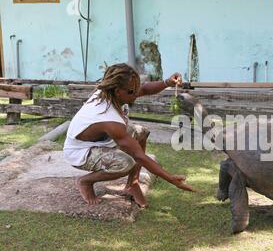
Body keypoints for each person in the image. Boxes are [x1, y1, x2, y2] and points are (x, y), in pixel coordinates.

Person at [64, 63, 194, 208]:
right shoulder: (109, 119)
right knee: (125, 163)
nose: (136, 93)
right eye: (132, 91)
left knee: (141, 133)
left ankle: (133, 184)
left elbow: (144, 89)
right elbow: (139, 156)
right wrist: (171, 179)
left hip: (101, 142)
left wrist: (167, 82)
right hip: (80, 152)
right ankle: (86, 182)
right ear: (118, 91)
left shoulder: (114, 92)